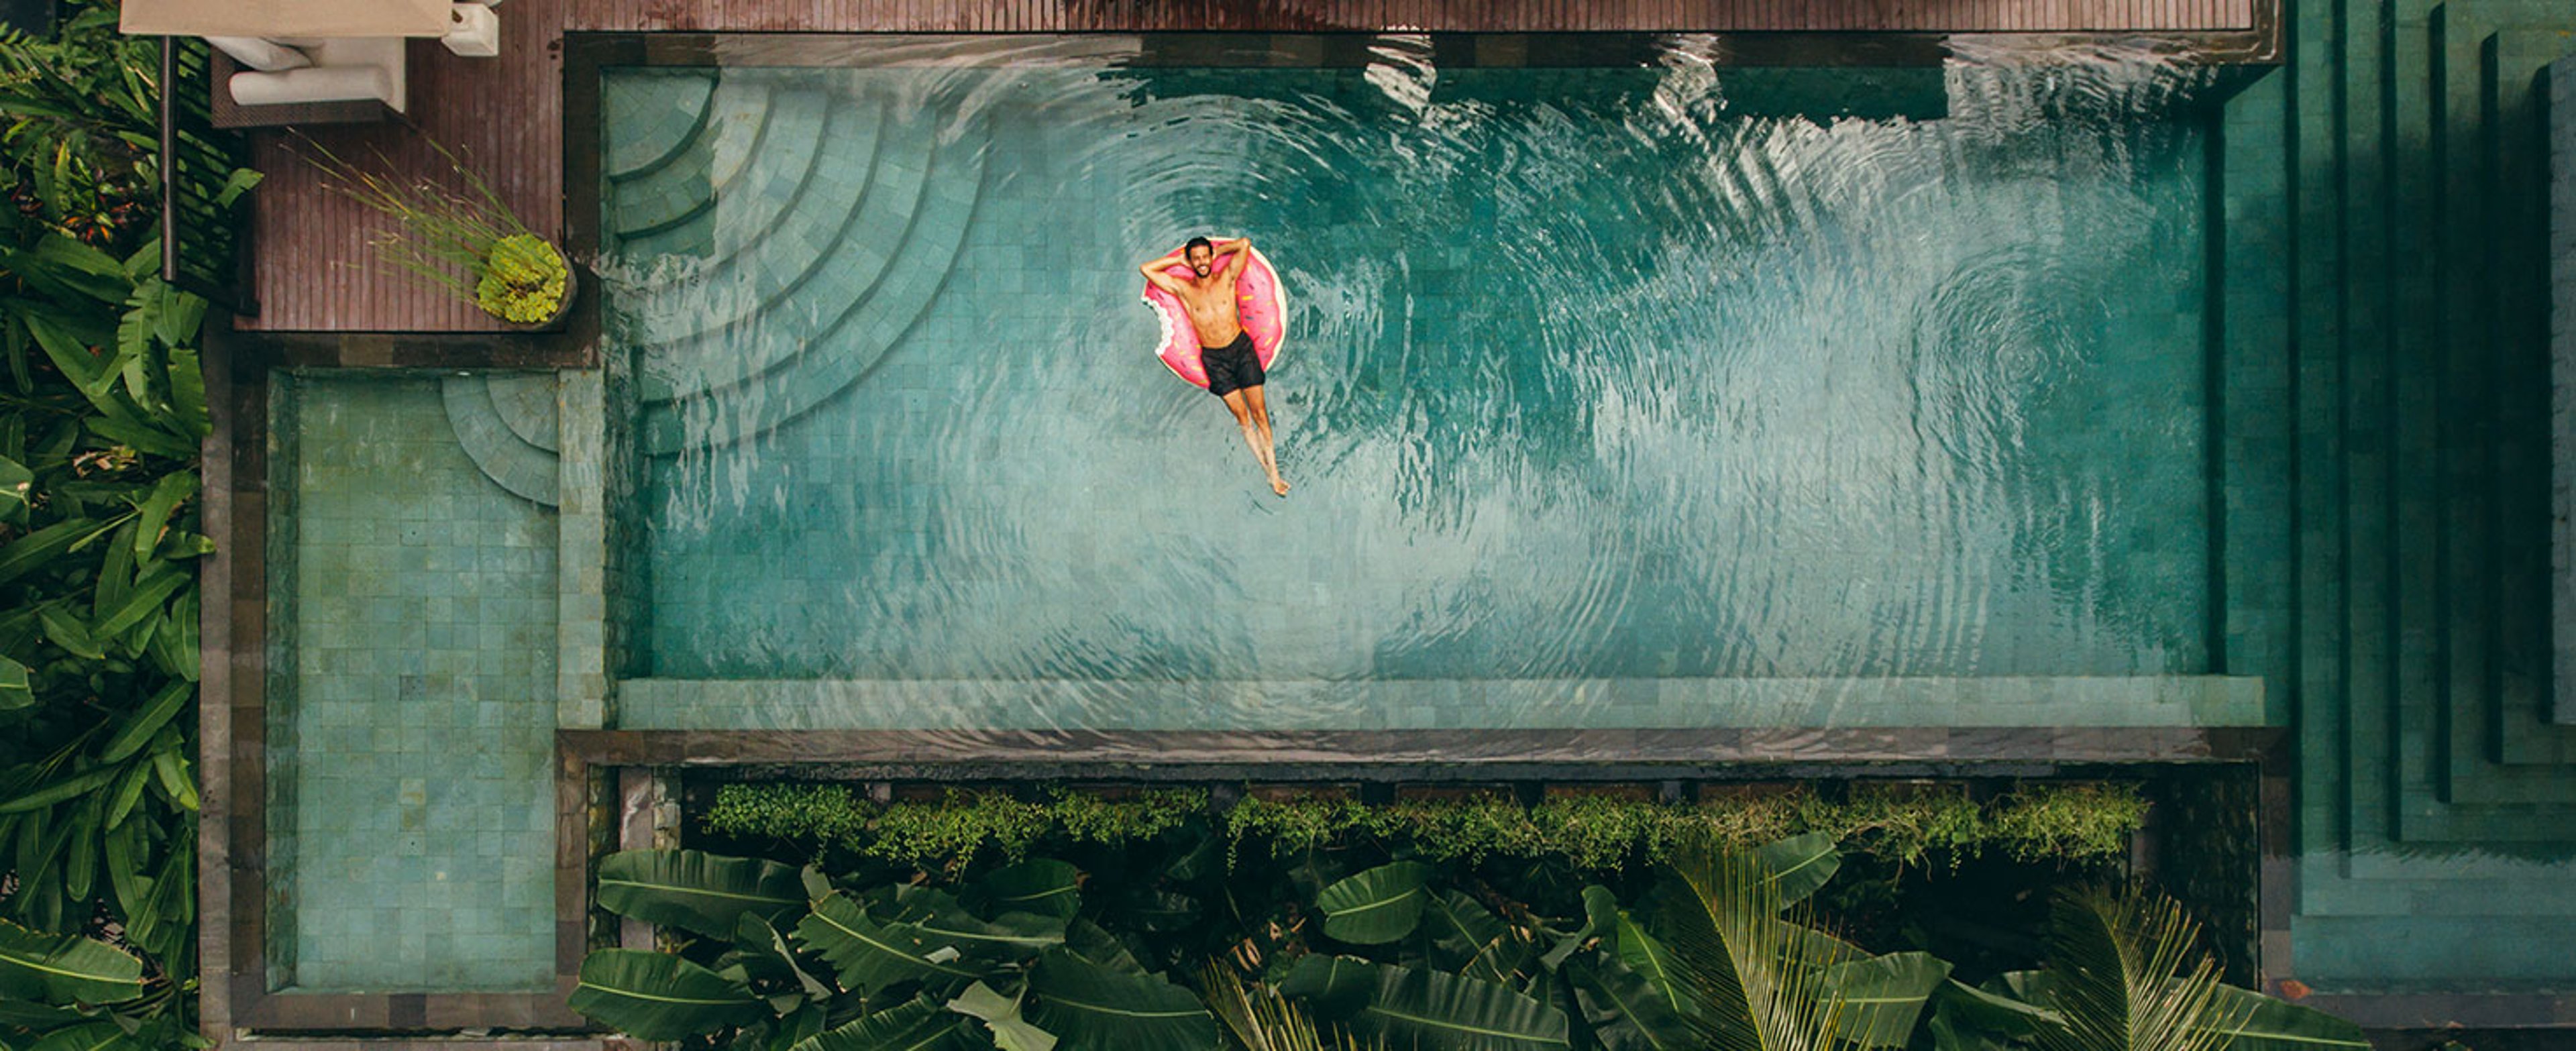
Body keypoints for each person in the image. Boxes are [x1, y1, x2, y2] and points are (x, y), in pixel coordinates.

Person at [1140, 235, 1290, 496]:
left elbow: (1244, 244)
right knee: (1243, 419)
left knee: (1260, 414)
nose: (1201, 262)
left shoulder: (1227, 278)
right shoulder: (1184, 289)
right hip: (1214, 360)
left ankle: (1274, 474)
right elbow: (1146, 269)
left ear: (1211, 257)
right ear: (1191, 261)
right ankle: (1266, 472)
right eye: (1195, 259)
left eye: (1204, 257)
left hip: (1241, 350)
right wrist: (1179, 261)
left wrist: (1219, 251)